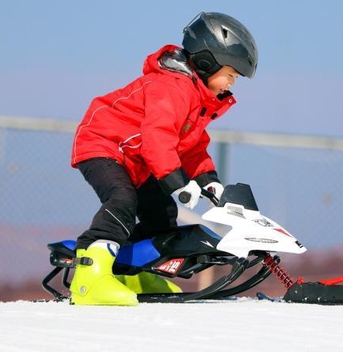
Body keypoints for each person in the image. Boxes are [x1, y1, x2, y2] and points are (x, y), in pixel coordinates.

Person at [69, 11, 258, 306]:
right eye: (231, 74)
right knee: (122, 201)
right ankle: (89, 277)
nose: (232, 83)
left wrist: (209, 181)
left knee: (162, 215)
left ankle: (133, 271)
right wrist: (177, 182)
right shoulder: (172, 87)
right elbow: (158, 139)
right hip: (106, 144)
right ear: (207, 61)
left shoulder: (198, 100)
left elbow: (193, 147)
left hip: (138, 159)